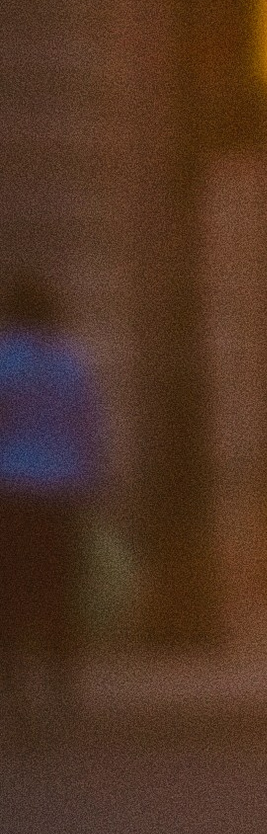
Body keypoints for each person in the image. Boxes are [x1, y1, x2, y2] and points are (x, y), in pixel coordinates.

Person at [0, 271, 106, 749]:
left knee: (10, 590)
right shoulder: (70, 362)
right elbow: (90, 426)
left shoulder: (4, 359)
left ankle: (14, 691)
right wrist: (97, 482)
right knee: (58, 590)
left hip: (10, 490)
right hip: (63, 490)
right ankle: (62, 688)